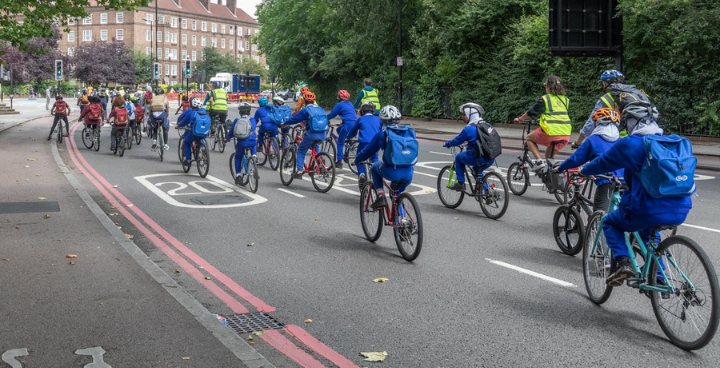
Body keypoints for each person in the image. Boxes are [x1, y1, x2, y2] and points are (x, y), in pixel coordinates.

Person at [581, 104, 691, 287]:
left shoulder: (631, 143)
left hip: (645, 209)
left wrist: (585, 170)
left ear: (631, 122)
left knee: (609, 222)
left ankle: (622, 264)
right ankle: (660, 280)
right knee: (649, 234)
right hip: (681, 208)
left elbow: (603, 162)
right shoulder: (674, 142)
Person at [557, 108, 624, 212]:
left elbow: (575, 160)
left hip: (607, 181)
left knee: (599, 215)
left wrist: (560, 168)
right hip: (626, 181)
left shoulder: (593, 140)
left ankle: (596, 226)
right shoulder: (622, 141)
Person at [355, 105, 417, 208]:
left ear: (382, 120)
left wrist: (357, 160)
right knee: (395, 195)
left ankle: (380, 196)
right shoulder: (408, 132)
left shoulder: (383, 134)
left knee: (375, 167)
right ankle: (401, 219)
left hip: (391, 172)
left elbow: (368, 151)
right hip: (409, 173)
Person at [514, 74, 572, 171]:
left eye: (545, 85)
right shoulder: (565, 100)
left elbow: (530, 112)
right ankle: (552, 181)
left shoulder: (545, 99)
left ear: (548, 86)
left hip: (551, 132)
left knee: (529, 139)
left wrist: (520, 119)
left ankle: (539, 162)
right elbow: (556, 114)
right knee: (548, 157)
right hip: (565, 134)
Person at [442, 103, 496, 191]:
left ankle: (460, 183)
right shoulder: (487, 126)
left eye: (464, 114)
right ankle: (487, 191)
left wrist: (448, 144)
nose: (462, 116)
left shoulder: (468, 129)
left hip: (477, 158)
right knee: (476, 171)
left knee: (458, 158)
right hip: (490, 158)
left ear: (470, 115)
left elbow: (457, 141)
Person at [571, 70, 626, 149]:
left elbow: (591, 122)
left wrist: (578, 142)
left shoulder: (606, 99)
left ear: (605, 84)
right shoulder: (628, 96)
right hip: (632, 138)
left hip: (613, 139)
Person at [281, 92, 327, 179]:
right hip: (323, 134)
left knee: (301, 151)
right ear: (314, 101)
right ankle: (319, 159)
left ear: (304, 101)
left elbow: (294, 119)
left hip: (311, 134)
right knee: (315, 145)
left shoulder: (305, 110)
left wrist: (285, 123)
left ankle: (299, 171)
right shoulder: (320, 109)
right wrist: (307, 127)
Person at [347, 101, 382, 187]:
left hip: (363, 143)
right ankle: (376, 172)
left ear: (362, 111)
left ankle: (362, 174)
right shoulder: (378, 119)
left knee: (359, 158)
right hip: (375, 143)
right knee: (374, 158)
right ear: (373, 111)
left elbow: (353, 131)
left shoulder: (360, 119)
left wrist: (348, 138)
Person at [226, 102, 258, 185]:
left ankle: (238, 176)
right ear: (250, 112)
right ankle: (254, 156)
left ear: (240, 112)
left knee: (238, 157)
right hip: (251, 141)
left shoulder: (237, 120)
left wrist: (227, 138)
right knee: (254, 143)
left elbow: (232, 131)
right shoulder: (252, 120)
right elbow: (253, 128)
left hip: (242, 142)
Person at [326, 90, 357, 169]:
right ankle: (347, 147)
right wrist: (343, 121)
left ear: (339, 97)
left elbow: (332, 114)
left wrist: (324, 119)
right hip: (355, 124)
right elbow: (350, 114)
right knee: (338, 130)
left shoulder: (339, 105)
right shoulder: (350, 104)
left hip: (347, 125)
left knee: (340, 143)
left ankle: (339, 162)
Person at [177, 97, 210, 164]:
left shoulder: (191, 112)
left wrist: (179, 126)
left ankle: (188, 159)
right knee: (201, 138)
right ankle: (203, 149)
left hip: (194, 132)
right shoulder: (204, 111)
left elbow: (184, 122)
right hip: (205, 132)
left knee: (186, 142)